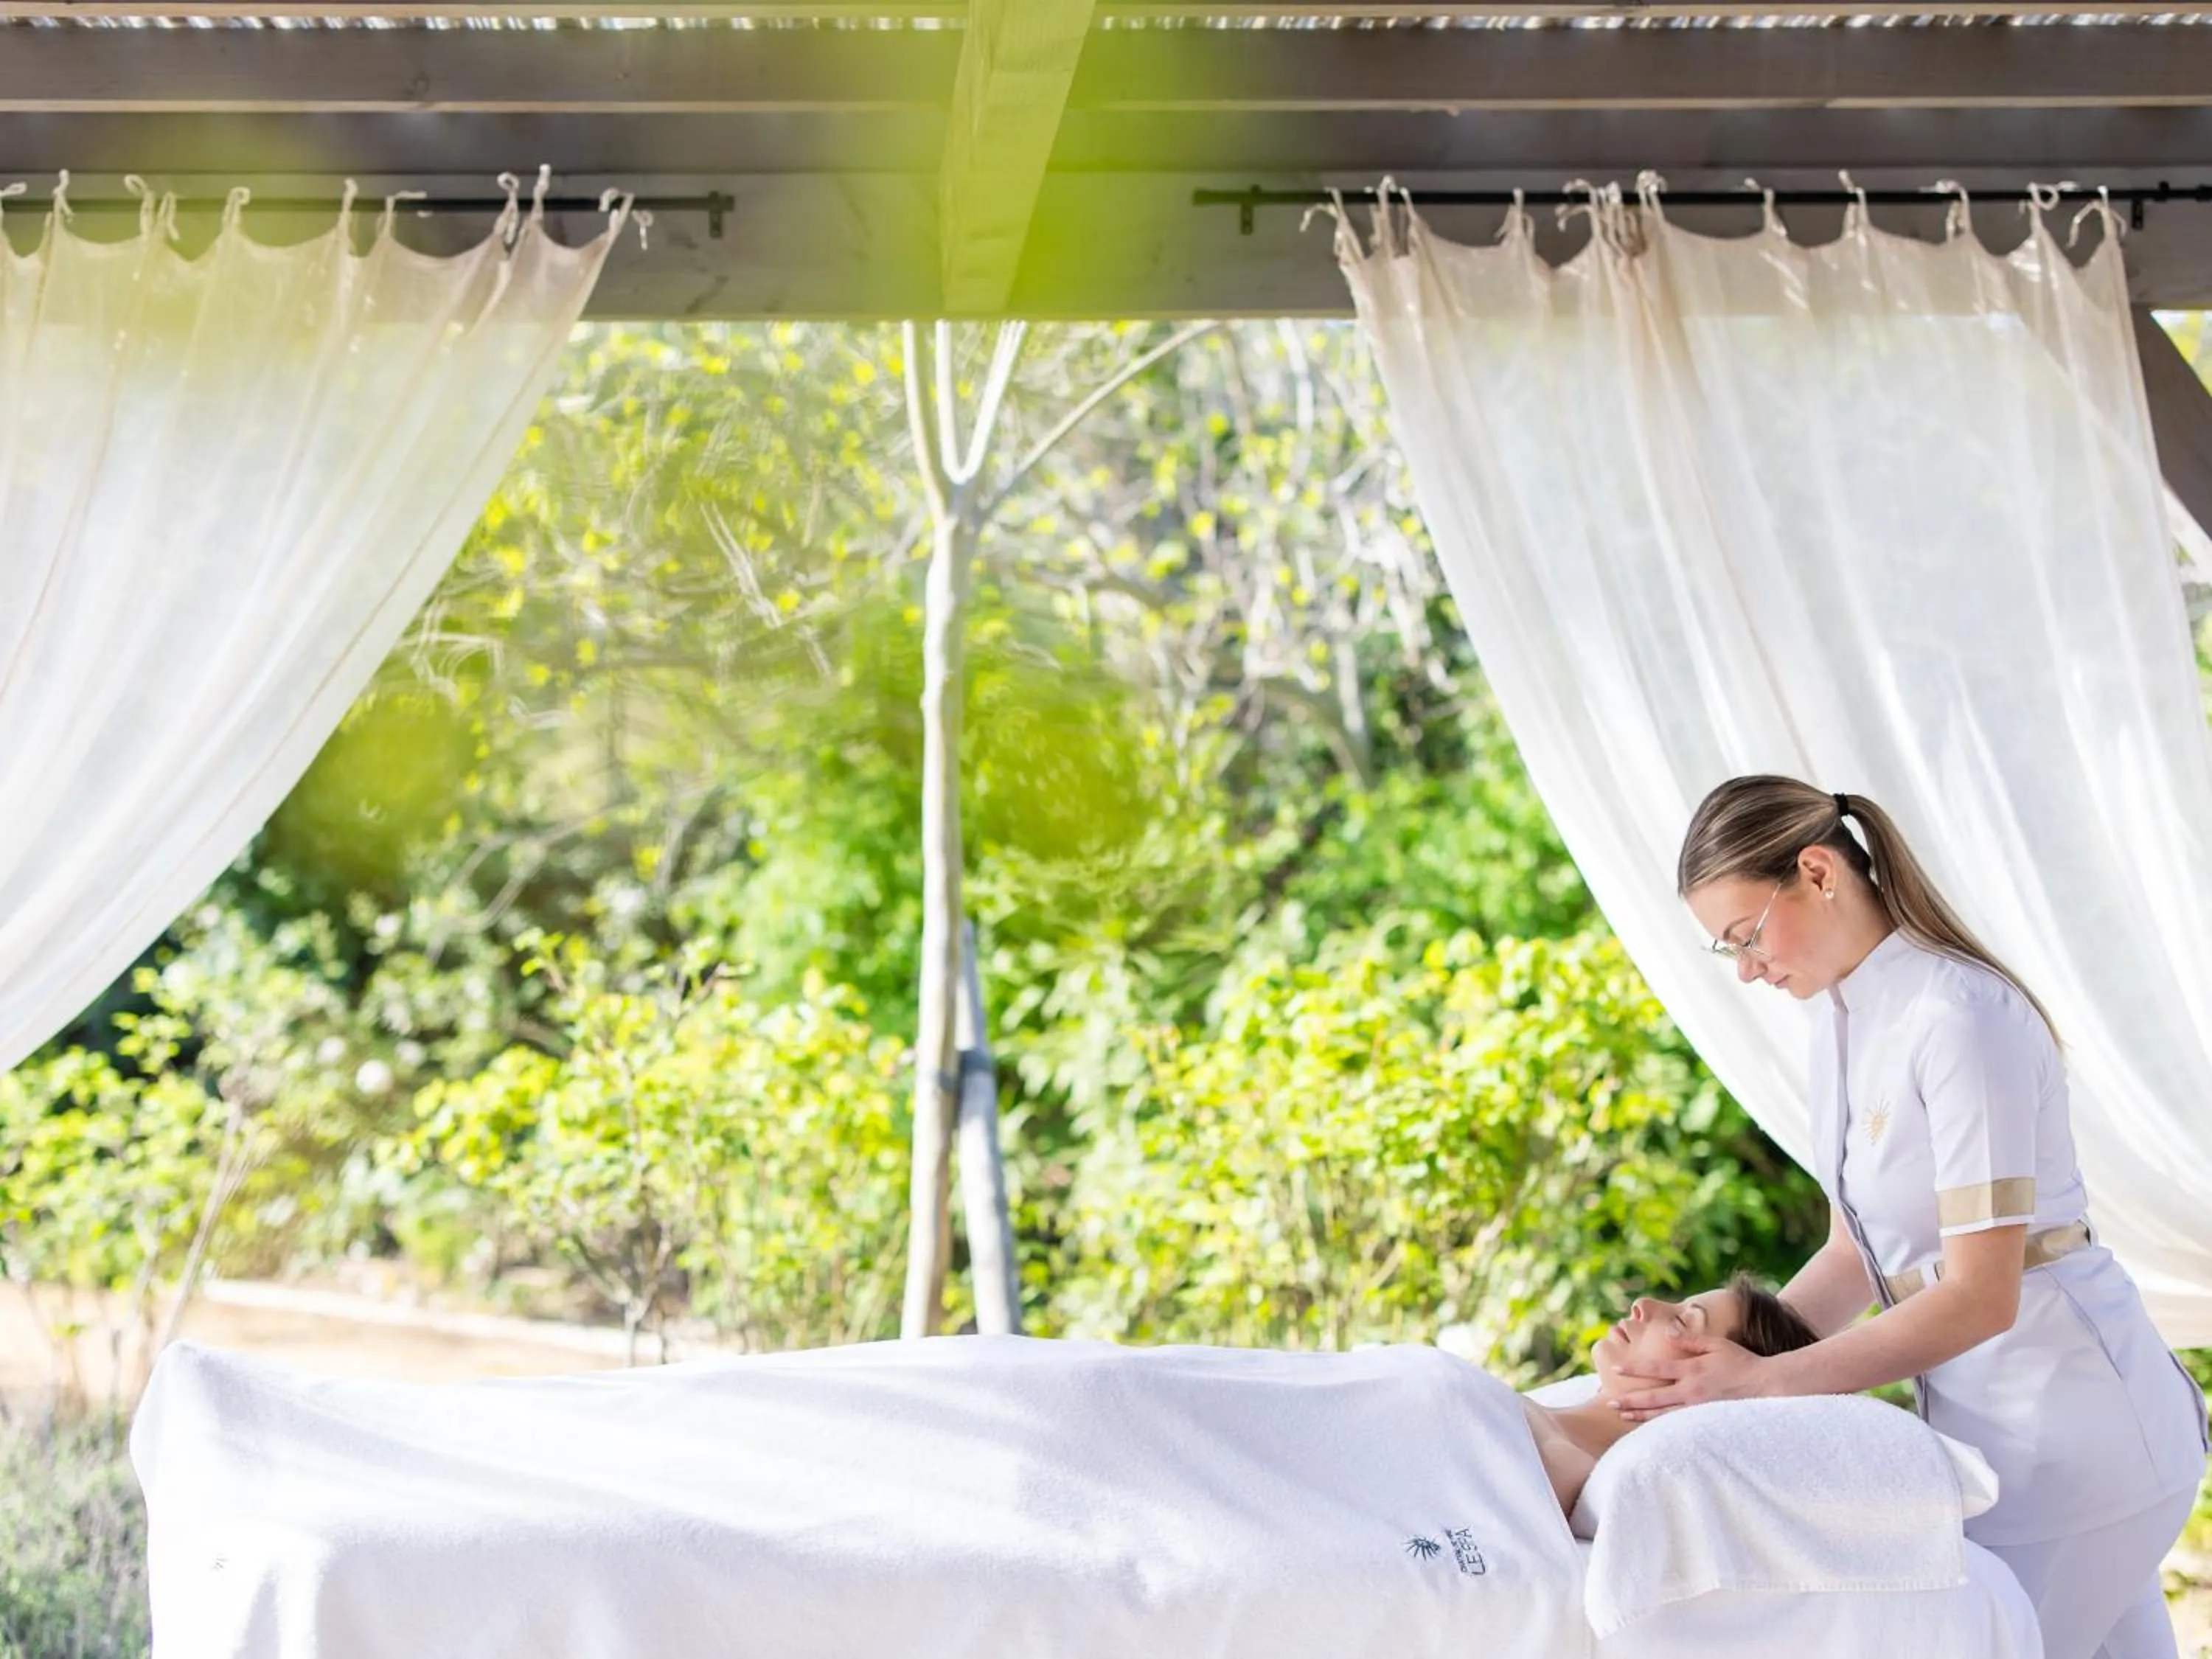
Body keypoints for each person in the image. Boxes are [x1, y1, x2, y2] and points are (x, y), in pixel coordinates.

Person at [1618, 775, 2208, 1659]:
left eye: (1745, 936)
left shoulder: (1959, 1017)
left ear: (1817, 873)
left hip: (2084, 1438)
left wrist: (1764, 1386)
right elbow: (1859, 1252)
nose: (1745, 968)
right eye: (1725, 951)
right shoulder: (1843, 1020)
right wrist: (1730, 1375)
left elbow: (1981, 1297)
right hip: (1995, 1439)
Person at [1517, 1271, 1818, 1517]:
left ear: (1714, 1392)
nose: (1643, 1304)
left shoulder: (1555, 1467)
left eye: (1682, 1322)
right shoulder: (1534, 1422)